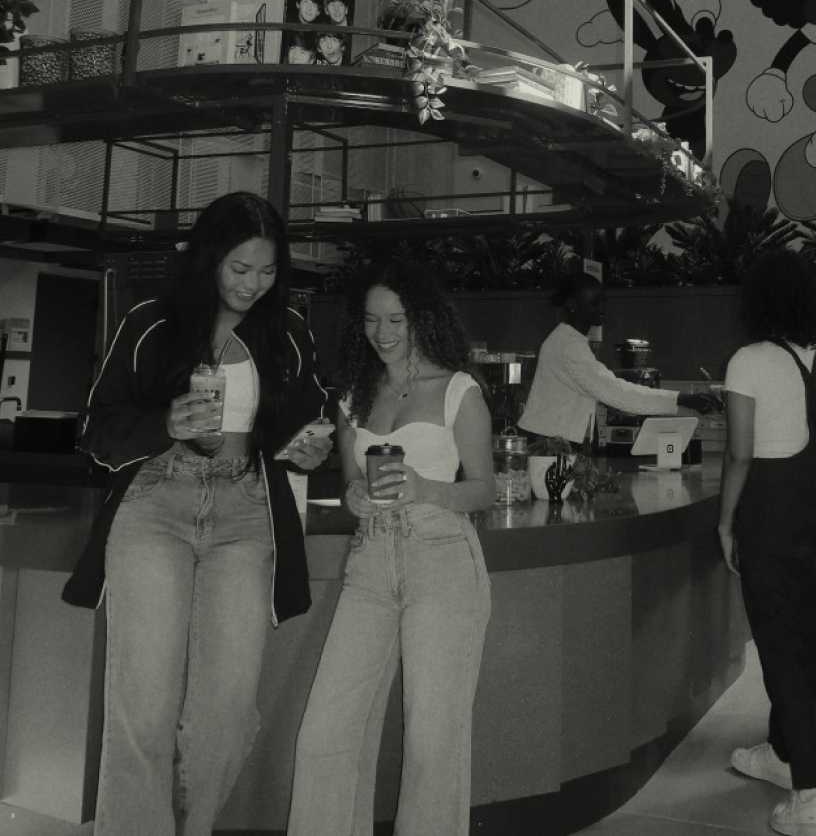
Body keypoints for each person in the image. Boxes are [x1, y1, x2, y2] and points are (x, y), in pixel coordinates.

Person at [62, 192, 329, 836]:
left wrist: (310, 446)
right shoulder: (151, 322)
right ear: (210, 258)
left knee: (228, 710)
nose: (252, 285)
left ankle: (195, 825)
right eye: (239, 268)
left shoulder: (287, 331)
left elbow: (309, 420)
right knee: (144, 710)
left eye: (266, 272)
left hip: (246, 511)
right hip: (156, 503)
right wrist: (165, 425)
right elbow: (96, 429)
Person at [287, 260, 494, 836]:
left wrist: (427, 489)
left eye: (396, 319)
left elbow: (484, 488)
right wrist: (353, 495)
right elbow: (352, 482)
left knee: (433, 743)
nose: (383, 332)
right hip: (371, 562)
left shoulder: (457, 390)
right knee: (326, 732)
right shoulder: (354, 395)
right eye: (372, 320)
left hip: (443, 558)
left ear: (422, 319)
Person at [719, 250, 816, 836]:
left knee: (780, 652)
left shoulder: (747, 361)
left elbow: (740, 453)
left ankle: (812, 797)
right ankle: (780, 754)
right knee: (810, 647)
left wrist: (726, 522)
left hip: (769, 521)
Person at [517, 273, 716, 447]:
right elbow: (617, 393)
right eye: (594, 303)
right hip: (550, 446)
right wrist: (683, 399)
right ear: (572, 305)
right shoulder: (569, 347)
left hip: (549, 441)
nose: (602, 308)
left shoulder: (565, 339)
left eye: (603, 301)